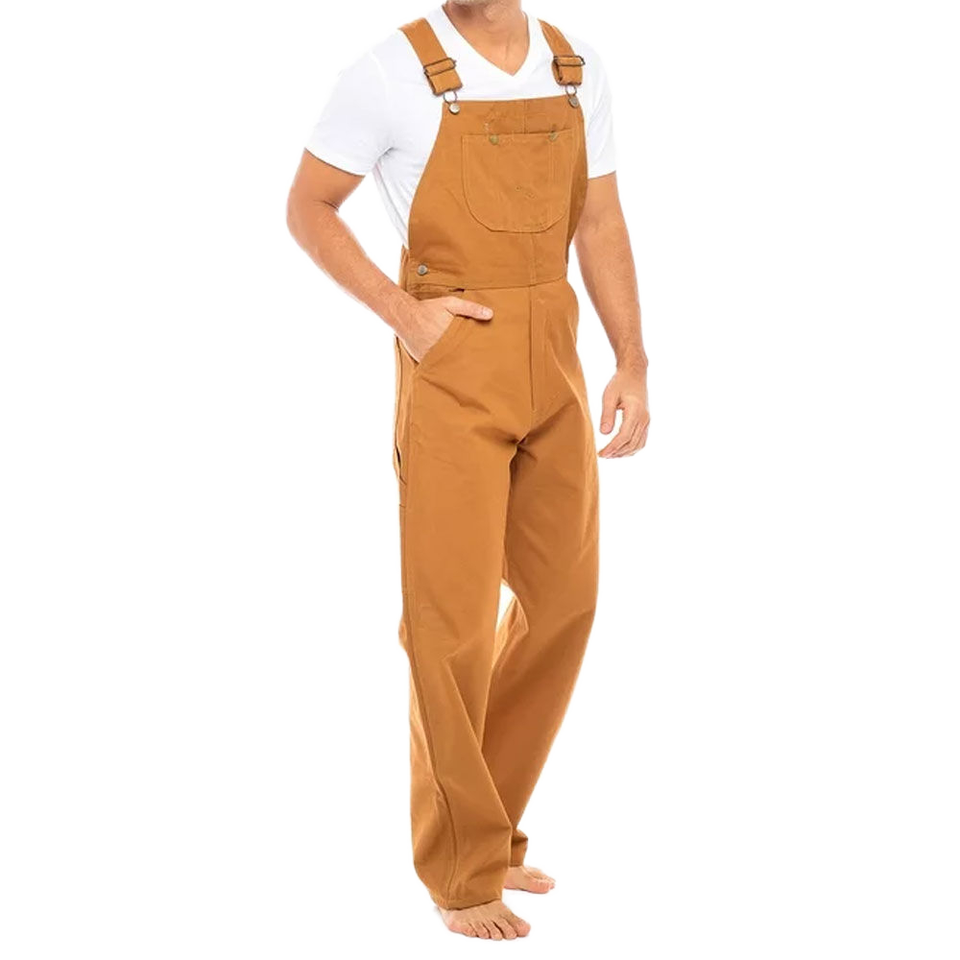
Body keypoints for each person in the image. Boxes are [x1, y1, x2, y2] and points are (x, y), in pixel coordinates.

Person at [287, 0, 649, 940]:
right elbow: (308, 206)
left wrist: (632, 361)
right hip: (452, 366)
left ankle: (488, 827)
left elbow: (600, 219)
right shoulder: (390, 70)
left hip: (556, 365)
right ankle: (460, 869)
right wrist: (403, 315)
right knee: (448, 626)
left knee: (564, 603)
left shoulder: (575, 67)